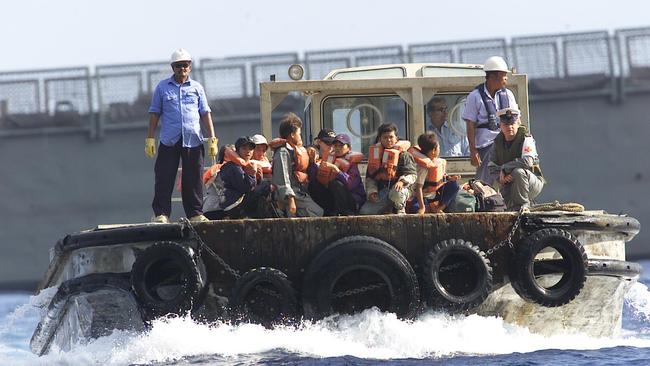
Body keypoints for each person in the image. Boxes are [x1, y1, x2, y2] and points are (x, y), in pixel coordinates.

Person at [145, 49, 218, 224]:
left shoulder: (197, 88)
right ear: (173, 67)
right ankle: (161, 214)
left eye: (185, 65)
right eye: (178, 66)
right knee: (164, 176)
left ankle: (195, 214)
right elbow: (155, 113)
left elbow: (205, 113)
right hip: (170, 140)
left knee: (193, 178)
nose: (182, 69)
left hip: (193, 140)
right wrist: (150, 138)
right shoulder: (162, 88)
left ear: (190, 67)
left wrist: (212, 138)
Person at [462, 56, 518, 186]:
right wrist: (473, 151)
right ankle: (483, 197)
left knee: (513, 172)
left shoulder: (508, 94)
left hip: (507, 142)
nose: (506, 79)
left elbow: (517, 119)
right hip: (486, 144)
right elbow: (470, 124)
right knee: (485, 179)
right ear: (493, 77)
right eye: (504, 76)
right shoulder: (475, 96)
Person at [488, 107, 544, 210]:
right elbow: (492, 167)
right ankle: (515, 206)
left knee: (518, 172)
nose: (509, 127)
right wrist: (501, 177)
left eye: (512, 124)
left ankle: (523, 205)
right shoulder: (497, 143)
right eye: (506, 125)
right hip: (508, 185)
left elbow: (528, 162)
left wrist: (505, 168)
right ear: (500, 126)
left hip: (531, 182)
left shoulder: (526, 138)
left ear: (518, 123)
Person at [203, 137, 271, 219]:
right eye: (244, 148)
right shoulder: (232, 167)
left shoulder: (238, 165)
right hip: (219, 209)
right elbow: (246, 187)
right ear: (237, 151)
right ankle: (250, 216)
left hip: (222, 207)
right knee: (265, 185)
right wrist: (252, 174)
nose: (248, 151)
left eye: (251, 149)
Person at [271, 113, 324, 217]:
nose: (300, 136)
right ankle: (282, 208)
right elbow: (282, 179)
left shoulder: (293, 150)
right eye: (299, 134)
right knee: (318, 212)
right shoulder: (283, 152)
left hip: (299, 191)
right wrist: (290, 199)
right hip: (289, 194)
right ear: (292, 135)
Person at [360, 123, 416, 215]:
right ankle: (387, 208)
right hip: (382, 191)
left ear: (396, 138)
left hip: (399, 190)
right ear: (380, 139)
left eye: (391, 137)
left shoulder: (404, 155)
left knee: (397, 193)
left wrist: (402, 181)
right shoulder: (375, 155)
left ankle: (399, 209)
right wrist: (372, 192)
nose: (388, 140)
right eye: (385, 137)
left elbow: (412, 175)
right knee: (365, 212)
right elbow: (370, 178)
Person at [308, 133, 366, 215]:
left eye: (341, 146)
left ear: (349, 147)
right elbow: (316, 177)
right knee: (314, 185)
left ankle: (345, 213)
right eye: (336, 146)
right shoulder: (330, 158)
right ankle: (328, 212)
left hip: (353, 201)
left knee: (336, 184)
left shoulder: (353, 164)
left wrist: (337, 170)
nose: (338, 148)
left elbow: (350, 185)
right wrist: (312, 163)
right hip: (335, 200)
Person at [407, 132, 460, 214]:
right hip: (423, 197)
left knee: (454, 186)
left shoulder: (437, 162)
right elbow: (418, 188)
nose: (439, 149)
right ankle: (428, 207)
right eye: (438, 147)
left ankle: (439, 208)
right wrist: (422, 207)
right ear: (434, 150)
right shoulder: (423, 167)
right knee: (415, 209)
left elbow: (441, 178)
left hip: (435, 194)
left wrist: (450, 178)